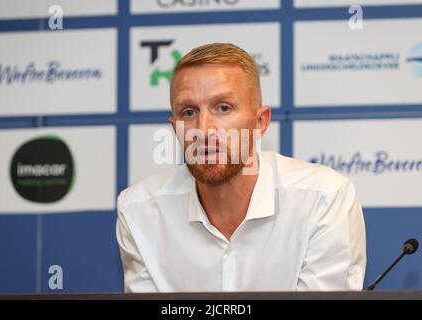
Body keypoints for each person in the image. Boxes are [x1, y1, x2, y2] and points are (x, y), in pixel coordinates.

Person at [116, 43, 366, 292]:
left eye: (223, 108)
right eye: (189, 112)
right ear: (175, 127)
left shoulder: (324, 199)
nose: (203, 130)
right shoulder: (138, 211)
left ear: (260, 122)